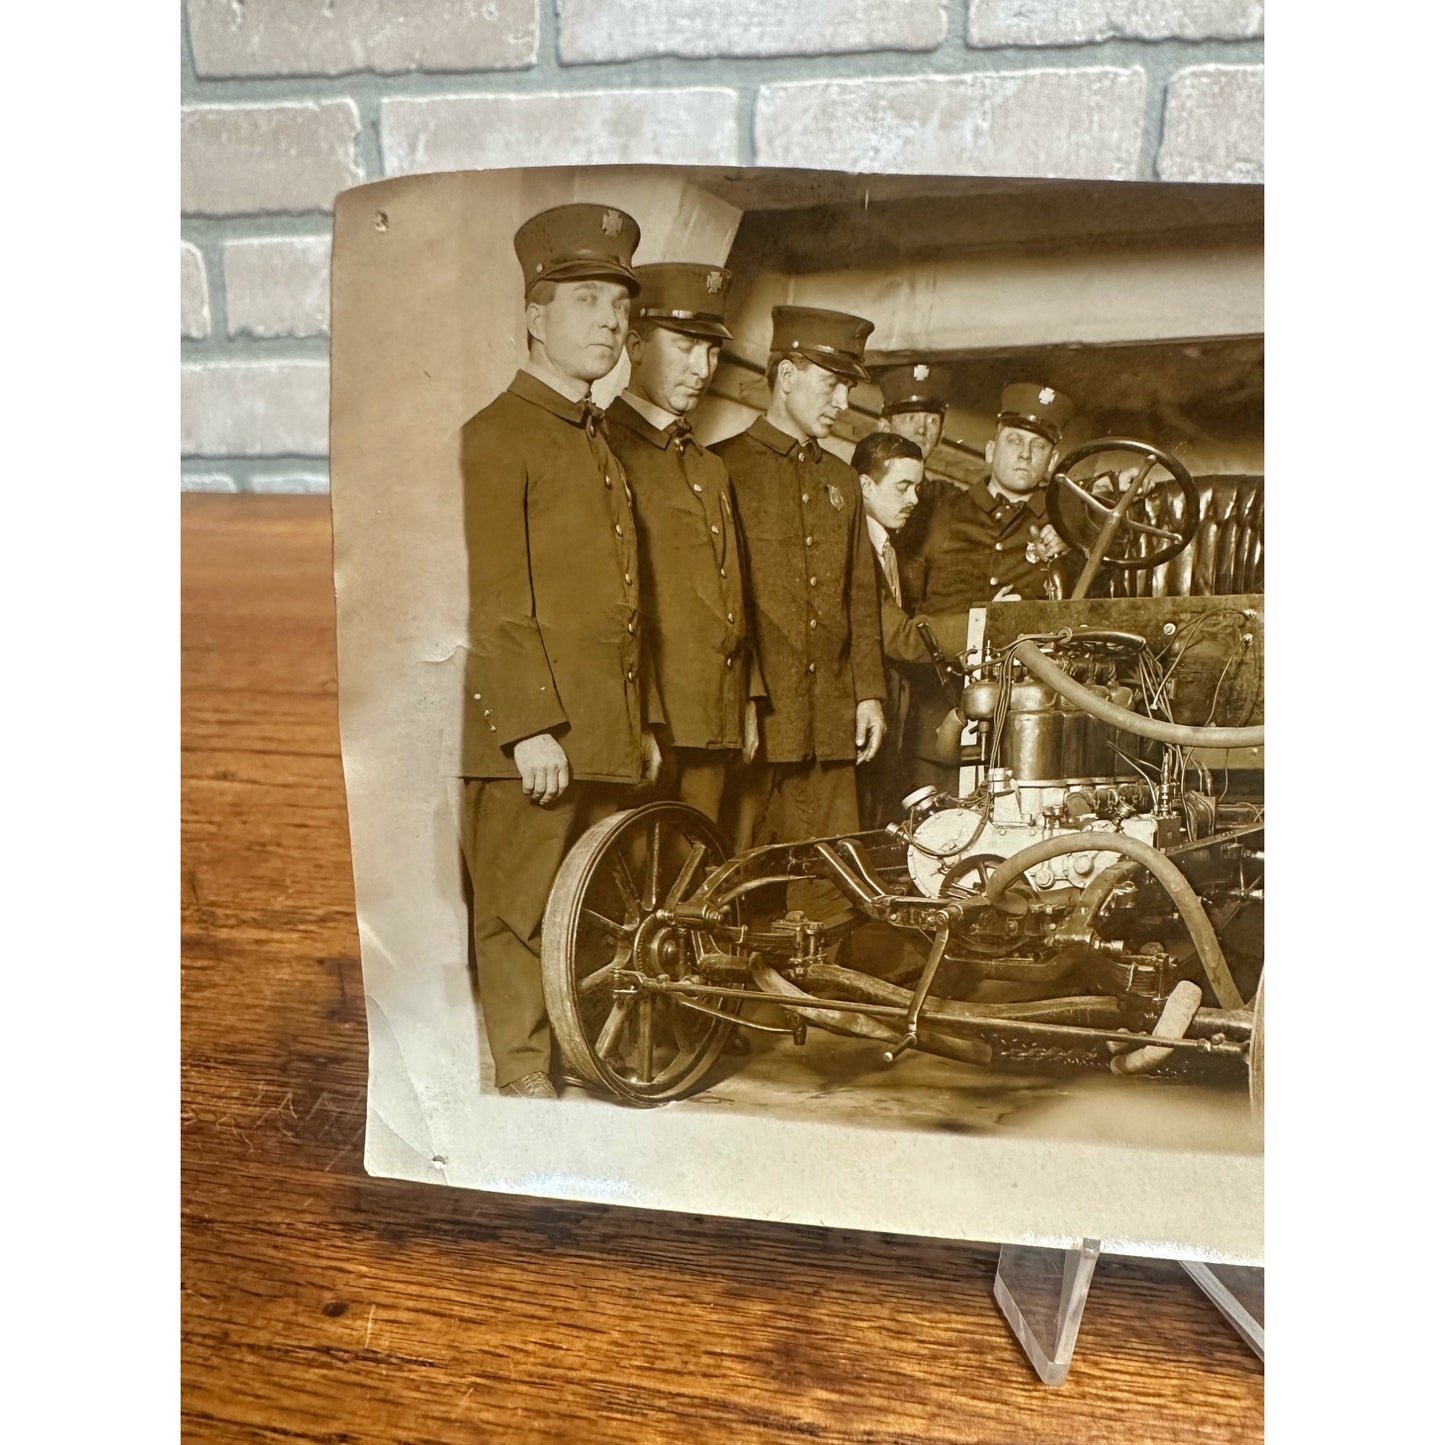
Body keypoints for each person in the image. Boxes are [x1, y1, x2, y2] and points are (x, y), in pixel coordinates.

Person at [458, 202, 663, 1100]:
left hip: (601, 731)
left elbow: (630, 603)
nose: (611, 320)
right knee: (517, 915)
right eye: (586, 299)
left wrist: (640, 722)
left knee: (580, 916)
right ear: (535, 316)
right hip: (530, 737)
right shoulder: (497, 434)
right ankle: (520, 1080)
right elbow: (496, 600)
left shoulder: (597, 441)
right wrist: (530, 728)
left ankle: (562, 1068)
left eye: (618, 303)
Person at [711, 306, 887, 846]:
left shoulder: (841, 481)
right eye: (832, 385)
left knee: (833, 897)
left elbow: (861, 596)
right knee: (742, 893)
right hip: (762, 726)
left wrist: (868, 695)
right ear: (786, 376)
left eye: (846, 389)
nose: (843, 403)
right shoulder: (722, 468)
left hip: (832, 725)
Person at [605, 262, 764, 821]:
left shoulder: (708, 466)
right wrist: (641, 717)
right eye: (685, 347)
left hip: (713, 717)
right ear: (635, 344)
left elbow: (734, 589)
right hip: (654, 719)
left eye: (713, 352)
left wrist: (747, 699)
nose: (703, 369)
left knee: (700, 888)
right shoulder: (604, 449)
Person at [851, 430, 975, 828]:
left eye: (918, 488)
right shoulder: (856, 549)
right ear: (866, 486)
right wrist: (986, 627)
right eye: (903, 487)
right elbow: (898, 635)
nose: (914, 501)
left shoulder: (890, 546)